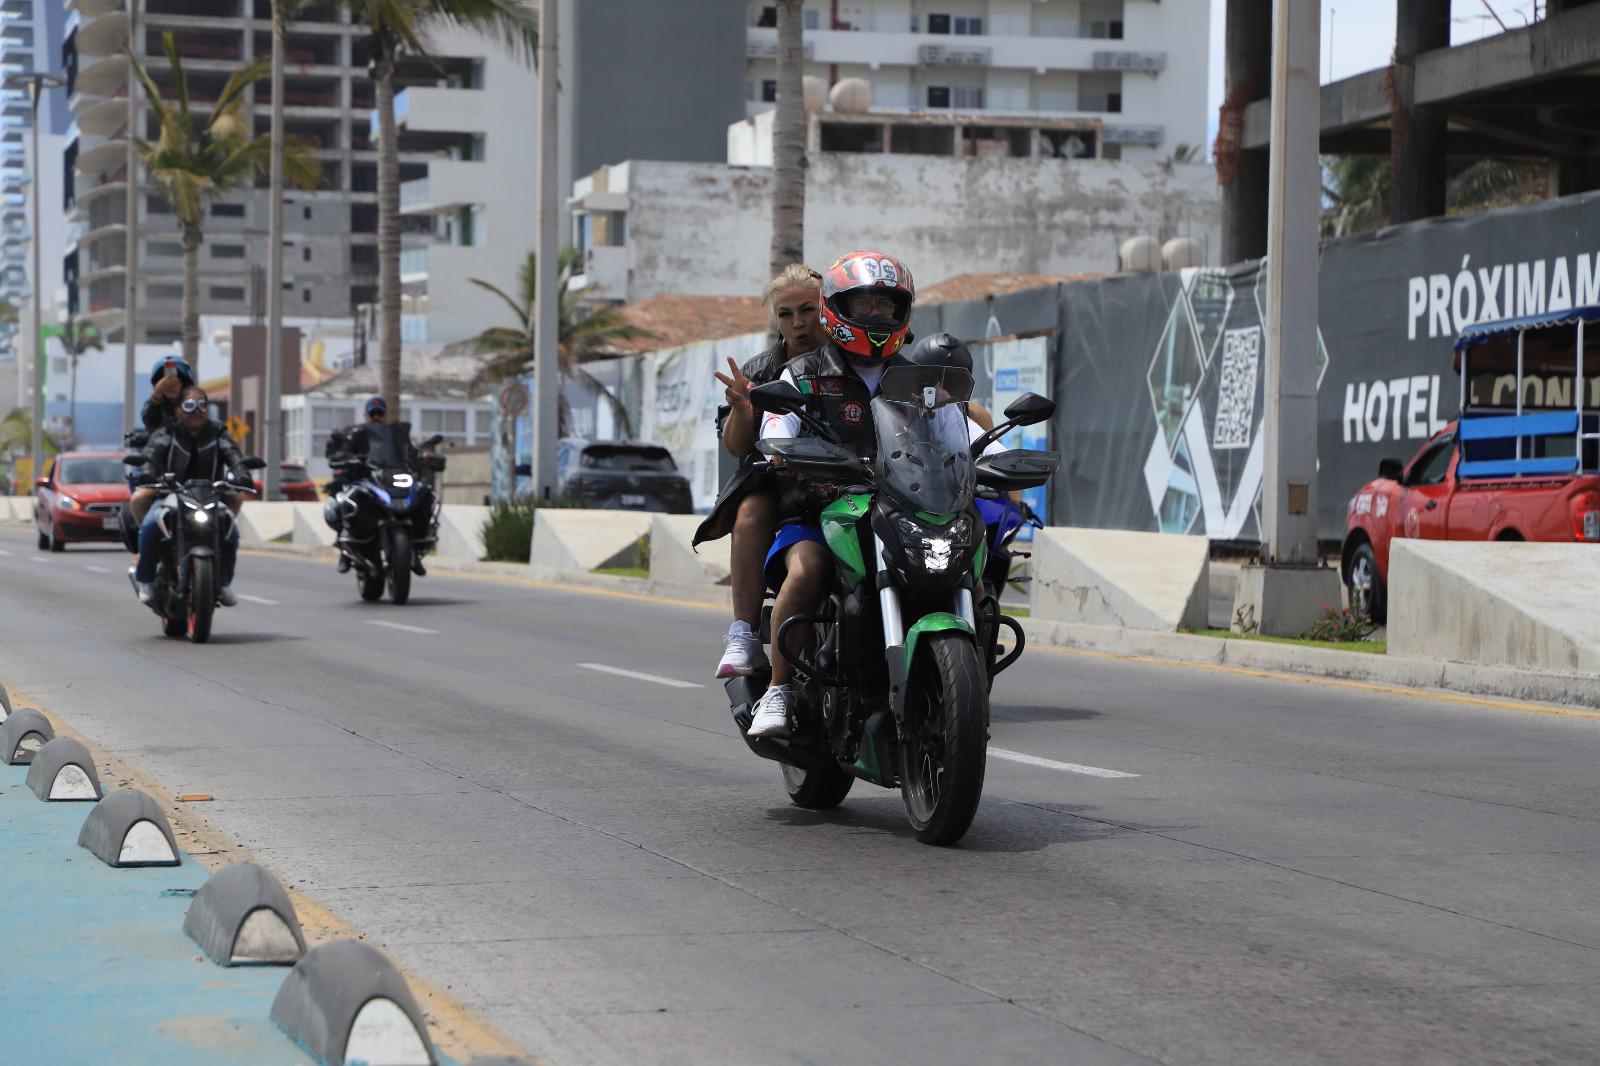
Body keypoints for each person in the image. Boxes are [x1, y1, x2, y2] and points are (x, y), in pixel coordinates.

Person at [747, 250, 999, 738]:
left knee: (974, 575)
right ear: (837, 309)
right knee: (806, 571)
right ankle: (778, 690)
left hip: (905, 505)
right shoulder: (802, 374)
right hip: (823, 508)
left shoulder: (922, 377)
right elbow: (778, 424)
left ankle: (966, 697)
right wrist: (781, 446)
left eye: (886, 306)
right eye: (863, 307)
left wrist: (1000, 453)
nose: (876, 316)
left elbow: (960, 428)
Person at [693, 264, 827, 679]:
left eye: (808, 309)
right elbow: (736, 445)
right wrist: (741, 408)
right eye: (786, 314)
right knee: (749, 509)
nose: (798, 322)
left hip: (853, 484)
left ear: (829, 309)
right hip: (783, 489)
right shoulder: (759, 371)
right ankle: (744, 634)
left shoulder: (852, 362)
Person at [131, 386, 251, 607]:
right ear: (178, 410)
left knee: (231, 533)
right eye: (189, 406)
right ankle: (145, 579)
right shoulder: (169, 432)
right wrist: (148, 470)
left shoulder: (218, 432)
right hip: (171, 492)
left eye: (202, 406)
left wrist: (243, 473)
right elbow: (152, 452)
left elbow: (234, 454)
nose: (196, 411)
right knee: (149, 525)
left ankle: (223, 583)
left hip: (211, 495)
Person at [324, 396, 429, 575]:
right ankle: (345, 552)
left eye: (380, 412)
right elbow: (340, 450)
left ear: (385, 414)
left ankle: (415, 551)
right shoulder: (356, 432)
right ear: (366, 414)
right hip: (366, 478)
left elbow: (409, 452)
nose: (376, 415)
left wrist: (423, 456)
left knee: (425, 494)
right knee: (345, 499)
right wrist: (343, 455)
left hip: (392, 477)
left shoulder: (396, 434)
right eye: (372, 412)